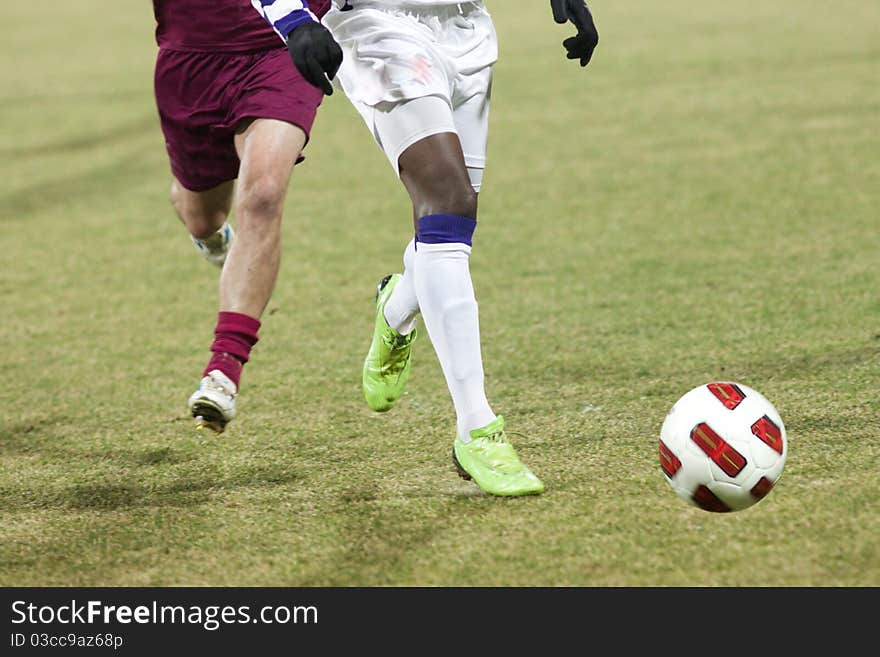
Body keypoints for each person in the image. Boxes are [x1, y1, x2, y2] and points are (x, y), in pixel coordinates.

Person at [258, 0, 598, 495]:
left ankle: (395, 309)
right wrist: (291, 19)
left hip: (466, 27)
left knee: (452, 221)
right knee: (449, 198)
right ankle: (476, 429)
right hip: (379, 30)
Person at [153, 0, 341, 433]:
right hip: (191, 57)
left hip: (282, 44)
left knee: (263, 194)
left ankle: (225, 367)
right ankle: (209, 232)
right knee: (201, 214)